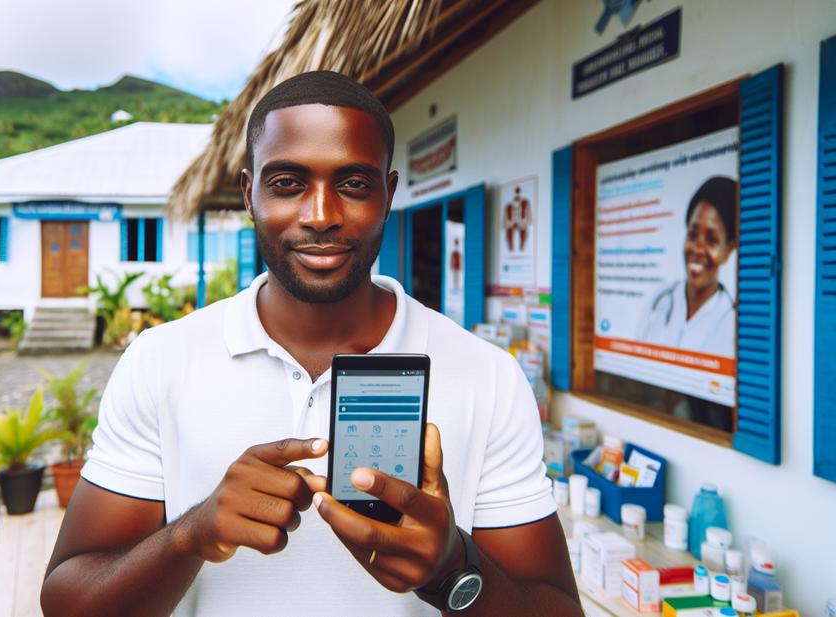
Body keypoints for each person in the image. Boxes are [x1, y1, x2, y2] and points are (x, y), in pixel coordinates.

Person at [40, 71, 580, 617]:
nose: (321, 215)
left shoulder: (486, 374)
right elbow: (68, 602)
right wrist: (191, 534)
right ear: (249, 195)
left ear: (388, 195)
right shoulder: (160, 360)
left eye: (353, 184)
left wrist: (454, 569)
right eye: (287, 184)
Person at [635, 176, 738, 358]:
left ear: (728, 250)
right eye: (692, 234)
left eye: (711, 240)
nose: (698, 249)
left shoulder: (730, 322)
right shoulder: (660, 302)